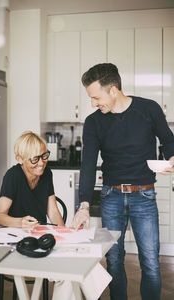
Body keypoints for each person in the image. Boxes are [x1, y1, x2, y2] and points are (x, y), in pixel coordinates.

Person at [72, 63, 174, 300]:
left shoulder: (149, 109)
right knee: (114, 260)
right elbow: (87, 165)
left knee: (150, 261)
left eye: (96, 97)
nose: (94, 103)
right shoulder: (93, 122)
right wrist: (84, 206)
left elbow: (169, 141)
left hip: (144, 196)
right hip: (111, 197)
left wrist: (172, 158)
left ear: (114, 89)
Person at [0, 130, 110, 300]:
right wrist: (20, 222)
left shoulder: (46, 174)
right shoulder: (12, 176)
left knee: (77, 261)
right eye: (34, 159)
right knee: (68, 270)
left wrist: (67, 235)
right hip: (19, 241)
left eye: (44, 156)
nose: (41, 163)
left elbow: (52, 211)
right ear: (19, 159)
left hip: (41, 236)